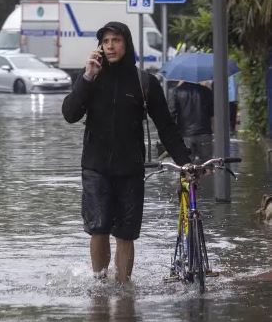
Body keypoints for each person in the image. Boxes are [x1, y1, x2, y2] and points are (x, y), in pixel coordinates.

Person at [62, 21, 190, 284]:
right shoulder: (91, 78)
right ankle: (99, 286)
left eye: (116, 41)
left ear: (126, 44)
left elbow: (166, 127)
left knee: (126, 234)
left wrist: (186, 164)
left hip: (131, 169)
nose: (110, 46)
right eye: (106, 41)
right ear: (100, 46)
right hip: (95, 168)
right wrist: (86, 77)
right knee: (98, 228)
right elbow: (70, 114)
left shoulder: (145, 83)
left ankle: (123, 290)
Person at [169, 80, 214, 163]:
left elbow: (171, 114)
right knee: (207, 165)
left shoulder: (176, 91)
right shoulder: (206, 91)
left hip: (185, 135)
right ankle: (208, 175)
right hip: (204, 133)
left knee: (186, 167)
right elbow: (212, 113)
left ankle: (188, 176)